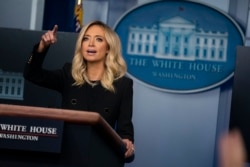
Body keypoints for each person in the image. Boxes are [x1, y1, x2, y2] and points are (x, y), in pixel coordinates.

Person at [23, 20, 135, 159]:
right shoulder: (68, 75)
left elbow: (125, 132)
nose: (91, 44)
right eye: (86, 39)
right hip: (65, 156)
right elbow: (31, 74)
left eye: (98, 39)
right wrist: (42, 47)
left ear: (108, 48)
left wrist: (127, 144)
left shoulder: (123, 85)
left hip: (98, 157)